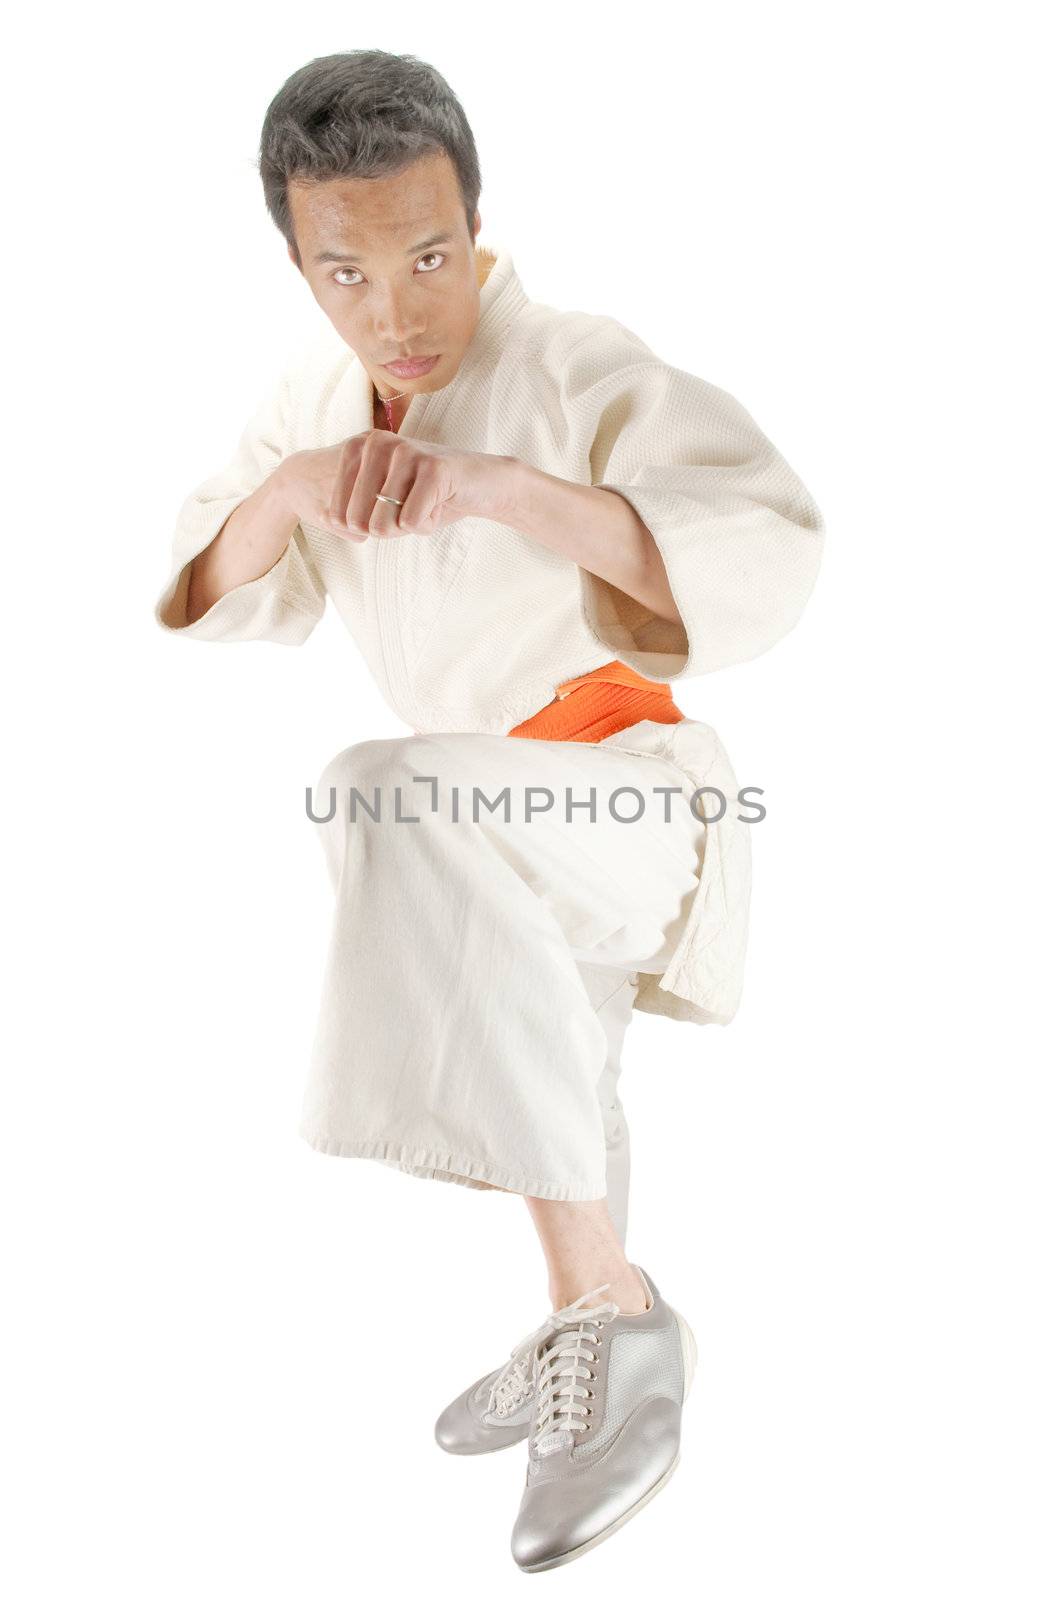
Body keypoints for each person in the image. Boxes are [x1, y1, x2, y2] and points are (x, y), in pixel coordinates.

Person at [153, 48, 825, 1571]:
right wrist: (298, 487)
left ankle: (621, 1320)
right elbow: (207, 588)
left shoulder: (581, 365)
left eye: (427, 256)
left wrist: (506, 492)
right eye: (346, 271)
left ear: (475, 223)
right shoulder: (317, 401)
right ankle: (594, 1324)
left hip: (635, 799)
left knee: (381, 793)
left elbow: (770, 537)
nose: (393, 308)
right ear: (299, 266)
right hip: (490, 820)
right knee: (552, 1059)